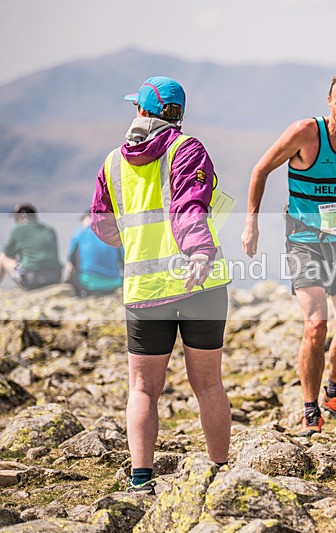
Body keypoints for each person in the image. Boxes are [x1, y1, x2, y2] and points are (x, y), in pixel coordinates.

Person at [91, 76, 231, 493]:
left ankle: (141, 480)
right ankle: (221, 473)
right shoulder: (187, 150)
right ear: (178, 114)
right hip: (199, 286)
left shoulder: (113, 162)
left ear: (141, 111)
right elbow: (190, 206)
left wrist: (134, 241)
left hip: (144, 291)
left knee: (143, 388)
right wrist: (199, 252)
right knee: (208, 382)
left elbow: (102, 224)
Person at [242, 71, 336, 436]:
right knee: (315, 325)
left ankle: (335, 393)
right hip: (304, 239)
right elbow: (261, 169)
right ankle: (309, 408)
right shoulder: (306, 132)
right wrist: (251, 224)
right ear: (329, 102)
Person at [0, 204, 62, 290]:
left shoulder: (19, 229)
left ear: (23, 216)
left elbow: (7, 253)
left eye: (16, 217)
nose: (15, 221)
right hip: (55, 277)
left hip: (32, 280)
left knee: (1, 257)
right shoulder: (50, 229)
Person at [64, 210, 123, 297]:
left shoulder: (80, 234)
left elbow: (71, 262)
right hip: (114, 283)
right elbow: (123, 261)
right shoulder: (114, 234)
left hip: (87, 283)